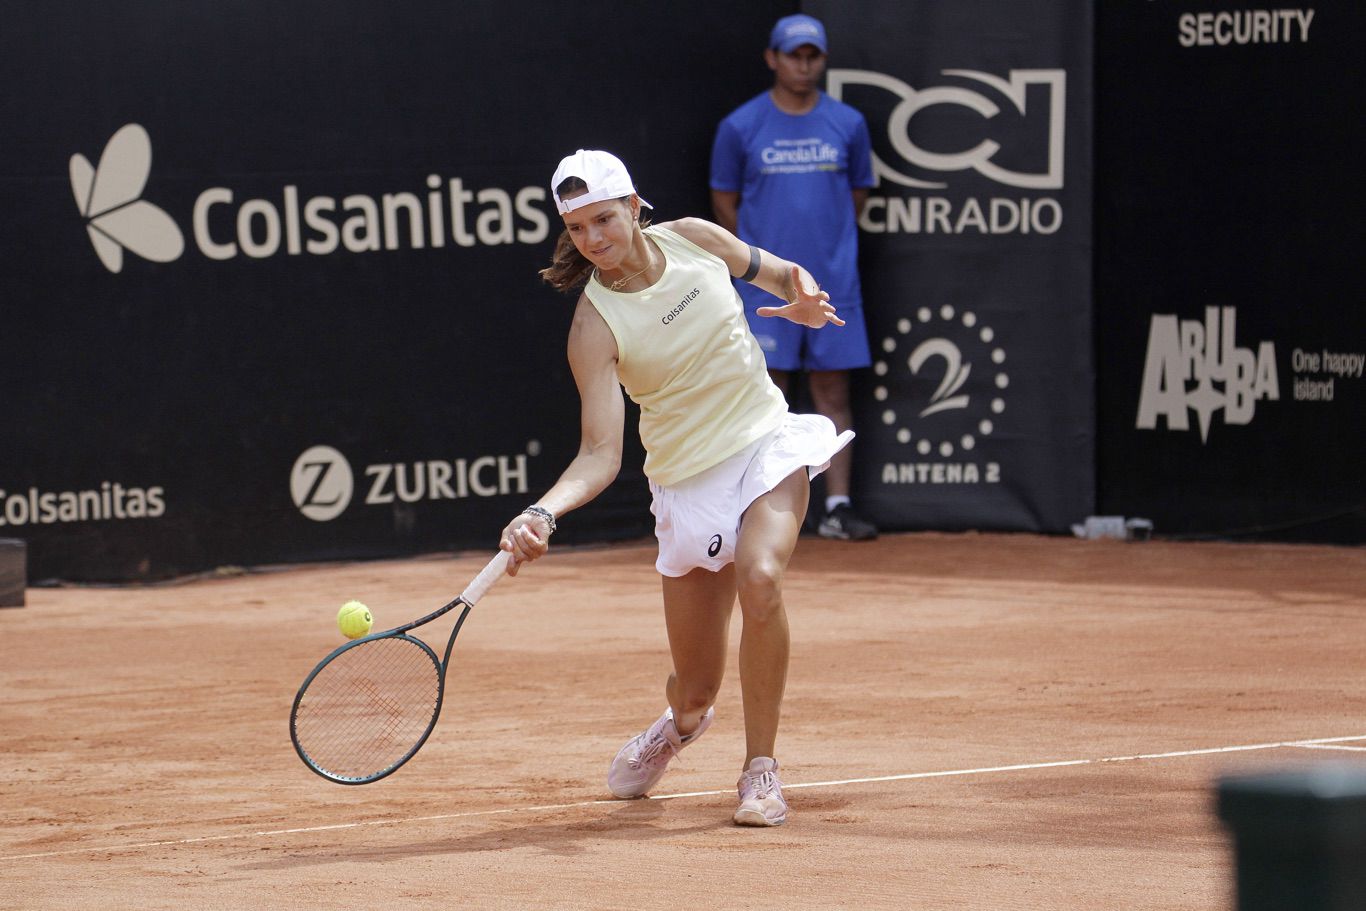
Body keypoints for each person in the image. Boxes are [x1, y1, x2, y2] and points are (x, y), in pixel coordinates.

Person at [499, 149, 853, 828]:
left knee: (761, 576)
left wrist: (803, 298)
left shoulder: (696, 239)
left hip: (763, 442)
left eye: (604, 218)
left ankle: (760, 771)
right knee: (695, 687)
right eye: (577, 228)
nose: (593, 238)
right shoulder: (593, 325)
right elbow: (601, 454)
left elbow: (778, 270)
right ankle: (680, 725)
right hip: (687, 485)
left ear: (634, 208)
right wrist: (543, 509)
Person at [710, 13, 878, 541]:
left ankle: (839, 507)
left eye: (813, 56)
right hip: (764, 286)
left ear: (822, 60)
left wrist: (820, 250)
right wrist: (765, 266)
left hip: (834, 282)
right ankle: (763, 509)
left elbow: (857, 196)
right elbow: (724, 203)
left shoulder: (848, 124)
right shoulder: (740, 126)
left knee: (832, 389)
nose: (804, 65)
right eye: (794, 55)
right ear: (772, 59)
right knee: (765, 391)